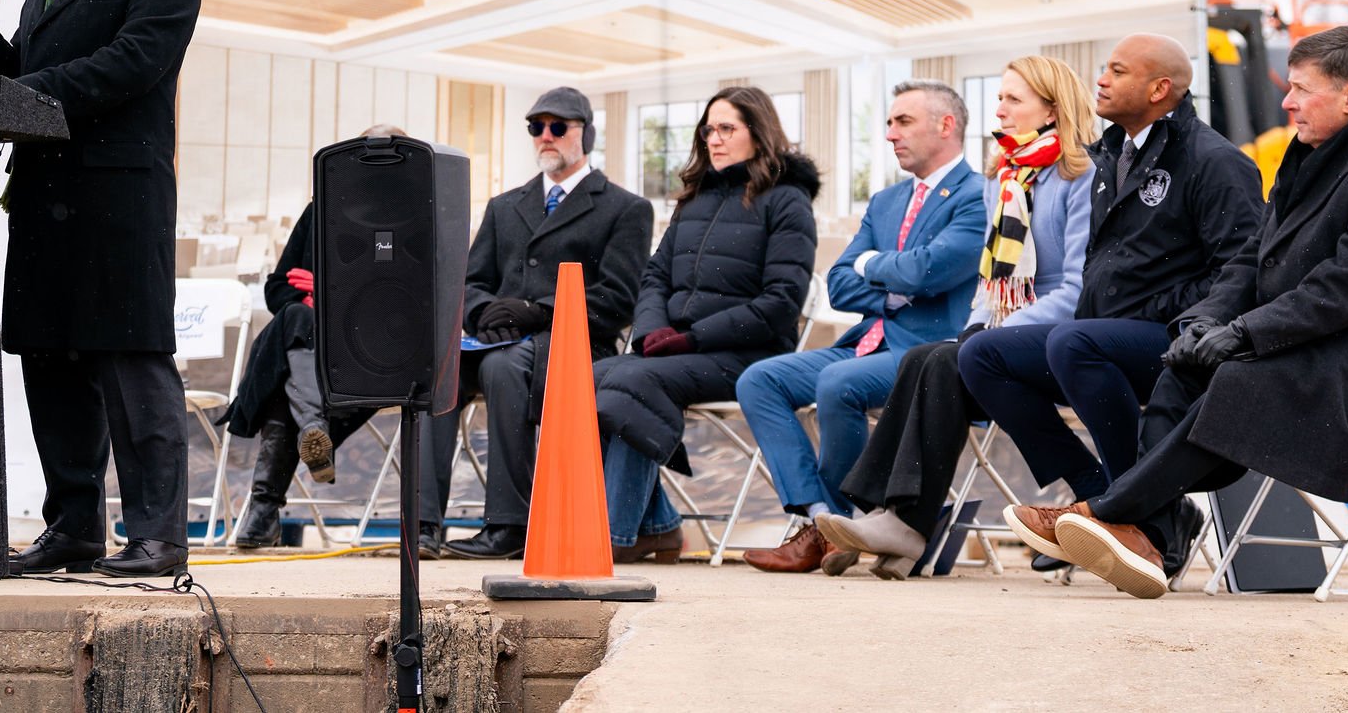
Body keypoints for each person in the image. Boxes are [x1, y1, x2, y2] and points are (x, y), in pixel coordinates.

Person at [1017, 26, 1348, 598]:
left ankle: (1106, 511)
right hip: (1320, 341)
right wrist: (1204, 321)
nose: (1287, 101)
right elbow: (1252, 260)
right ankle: (1149, 538)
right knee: (1184, 367)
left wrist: (1244, 333)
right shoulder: (1309, 157)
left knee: (1240, 380)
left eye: (1301, 89)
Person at [0, 0, 202, 579]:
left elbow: (131, 64)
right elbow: (29, 75)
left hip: (117, 199)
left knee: (132, 364)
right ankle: (73, 527)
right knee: (52, 364)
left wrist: (26, 84)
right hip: (43, 198)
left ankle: (157, 535)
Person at [961, 34, 1263, 579]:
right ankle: (1102, 498)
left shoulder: (1214, 162)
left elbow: (1241, 272)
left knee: (1073, 341)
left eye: (1117, 71)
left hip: (1179, 344)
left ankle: (1145, 522)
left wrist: (1167, 315)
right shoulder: (1106, 156)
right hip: (1106, 338)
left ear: (1159, 89)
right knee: (982, 354)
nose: (1100, 79)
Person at [818, 56, 1094, 578]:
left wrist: (987, 337)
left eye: (1013, 99)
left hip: (1062, 333)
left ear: (1053, 108)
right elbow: (992, 286)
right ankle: (897, 522)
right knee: (932, 358)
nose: (1000, 109)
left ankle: (903, 524)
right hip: (1008, 337)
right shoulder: (1005, 177)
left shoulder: (1081, 175)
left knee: (944, 359)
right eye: (1000, 98)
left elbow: (1077, 289)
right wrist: (978, 329)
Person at [735, 80, 987, 574]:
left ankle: (838, 526)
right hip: (868, 344)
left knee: (838, 383)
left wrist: (878, 266)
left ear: (946, 125)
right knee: (759, 379)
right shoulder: (886, 201)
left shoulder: (978, 197)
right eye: (889, 123)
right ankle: (823, 517)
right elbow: (841, 285)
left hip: (928, 354)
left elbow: (930, 270)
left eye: (903, 121)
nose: (890, 133)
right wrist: (895, 280)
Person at [423, 87, 654, 561]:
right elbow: (471, 281)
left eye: (558, 127)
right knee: (436, 370)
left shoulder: (625, 208)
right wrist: (483, 311)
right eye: (536, 128)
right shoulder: (505, 206)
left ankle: (509, 525)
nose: (545, 137)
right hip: (496, 338)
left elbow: (619, 298)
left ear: (585, 134)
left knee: (503, 368)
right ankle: (422, 523)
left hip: (574, 345)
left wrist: (540, 310)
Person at [595, 87, 820, 562]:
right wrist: (653, 328)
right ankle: (653, 527)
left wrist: (691, 337)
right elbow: (655, 275)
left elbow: (780, 303)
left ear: (758, 135)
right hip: (678, 350)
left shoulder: (786, 202)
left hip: (750, 354)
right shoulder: (693, 199)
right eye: (708, 129)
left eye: (727, 129)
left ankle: (614, 535)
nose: (713, 139)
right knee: (589, 378)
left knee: (633, 380)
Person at [218, 126, 409, 552]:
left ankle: (263, 509)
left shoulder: (410, 217)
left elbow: (405, 303)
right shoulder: (321, 210)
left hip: (372, 353)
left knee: (289, 357)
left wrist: (330, 295)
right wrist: (312, 298)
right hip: (317, 348)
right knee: (295, 320)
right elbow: (276, 288)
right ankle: (313, 428)